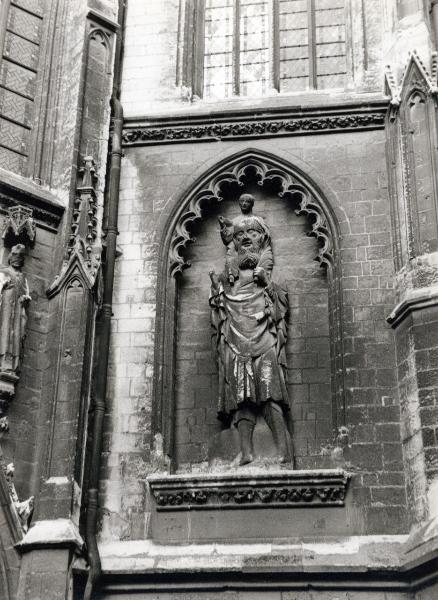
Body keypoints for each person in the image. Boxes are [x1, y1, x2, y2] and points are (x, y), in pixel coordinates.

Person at [210, 203, 293, 465]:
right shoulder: (227, 280)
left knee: (269, 390)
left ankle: (282, 452)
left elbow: (281, 307)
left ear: (263, 239)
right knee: (241, 395)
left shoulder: (270, 280)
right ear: (233, 242)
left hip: (264, 340)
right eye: (239, 236)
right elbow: (219, 313)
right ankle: (246, 452)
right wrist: (217, 294)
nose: (246, 238)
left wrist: (266, 283)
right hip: (235, 340)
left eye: (253, 234)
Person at [0, 244, 30, 378]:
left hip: (17, 309)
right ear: (10, 256)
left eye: (21, 256)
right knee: (5, 331)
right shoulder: (4, 271)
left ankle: (13, 365)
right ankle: (3, 361)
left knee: (16, 334)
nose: (17, 258)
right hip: (6, 307)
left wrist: (25, 298)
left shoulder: (22, 277)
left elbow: (26, 292)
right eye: (15, 255)